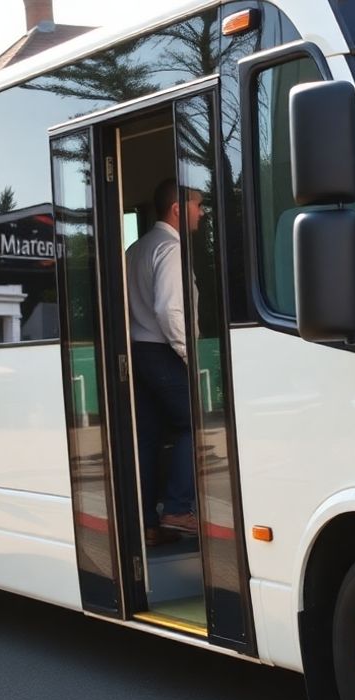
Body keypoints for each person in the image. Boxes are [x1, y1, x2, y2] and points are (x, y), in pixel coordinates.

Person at [127, 179, 204, 546]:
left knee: (148, 439)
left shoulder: (136, 249)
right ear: (178, 208)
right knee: (198, 424)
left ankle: (147, 525)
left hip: (138, 353)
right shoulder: (171, 249)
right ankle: (176, 509)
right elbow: (170, 308)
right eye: (198, 205)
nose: (201, 213)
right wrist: (189, 354)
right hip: (163, 352)